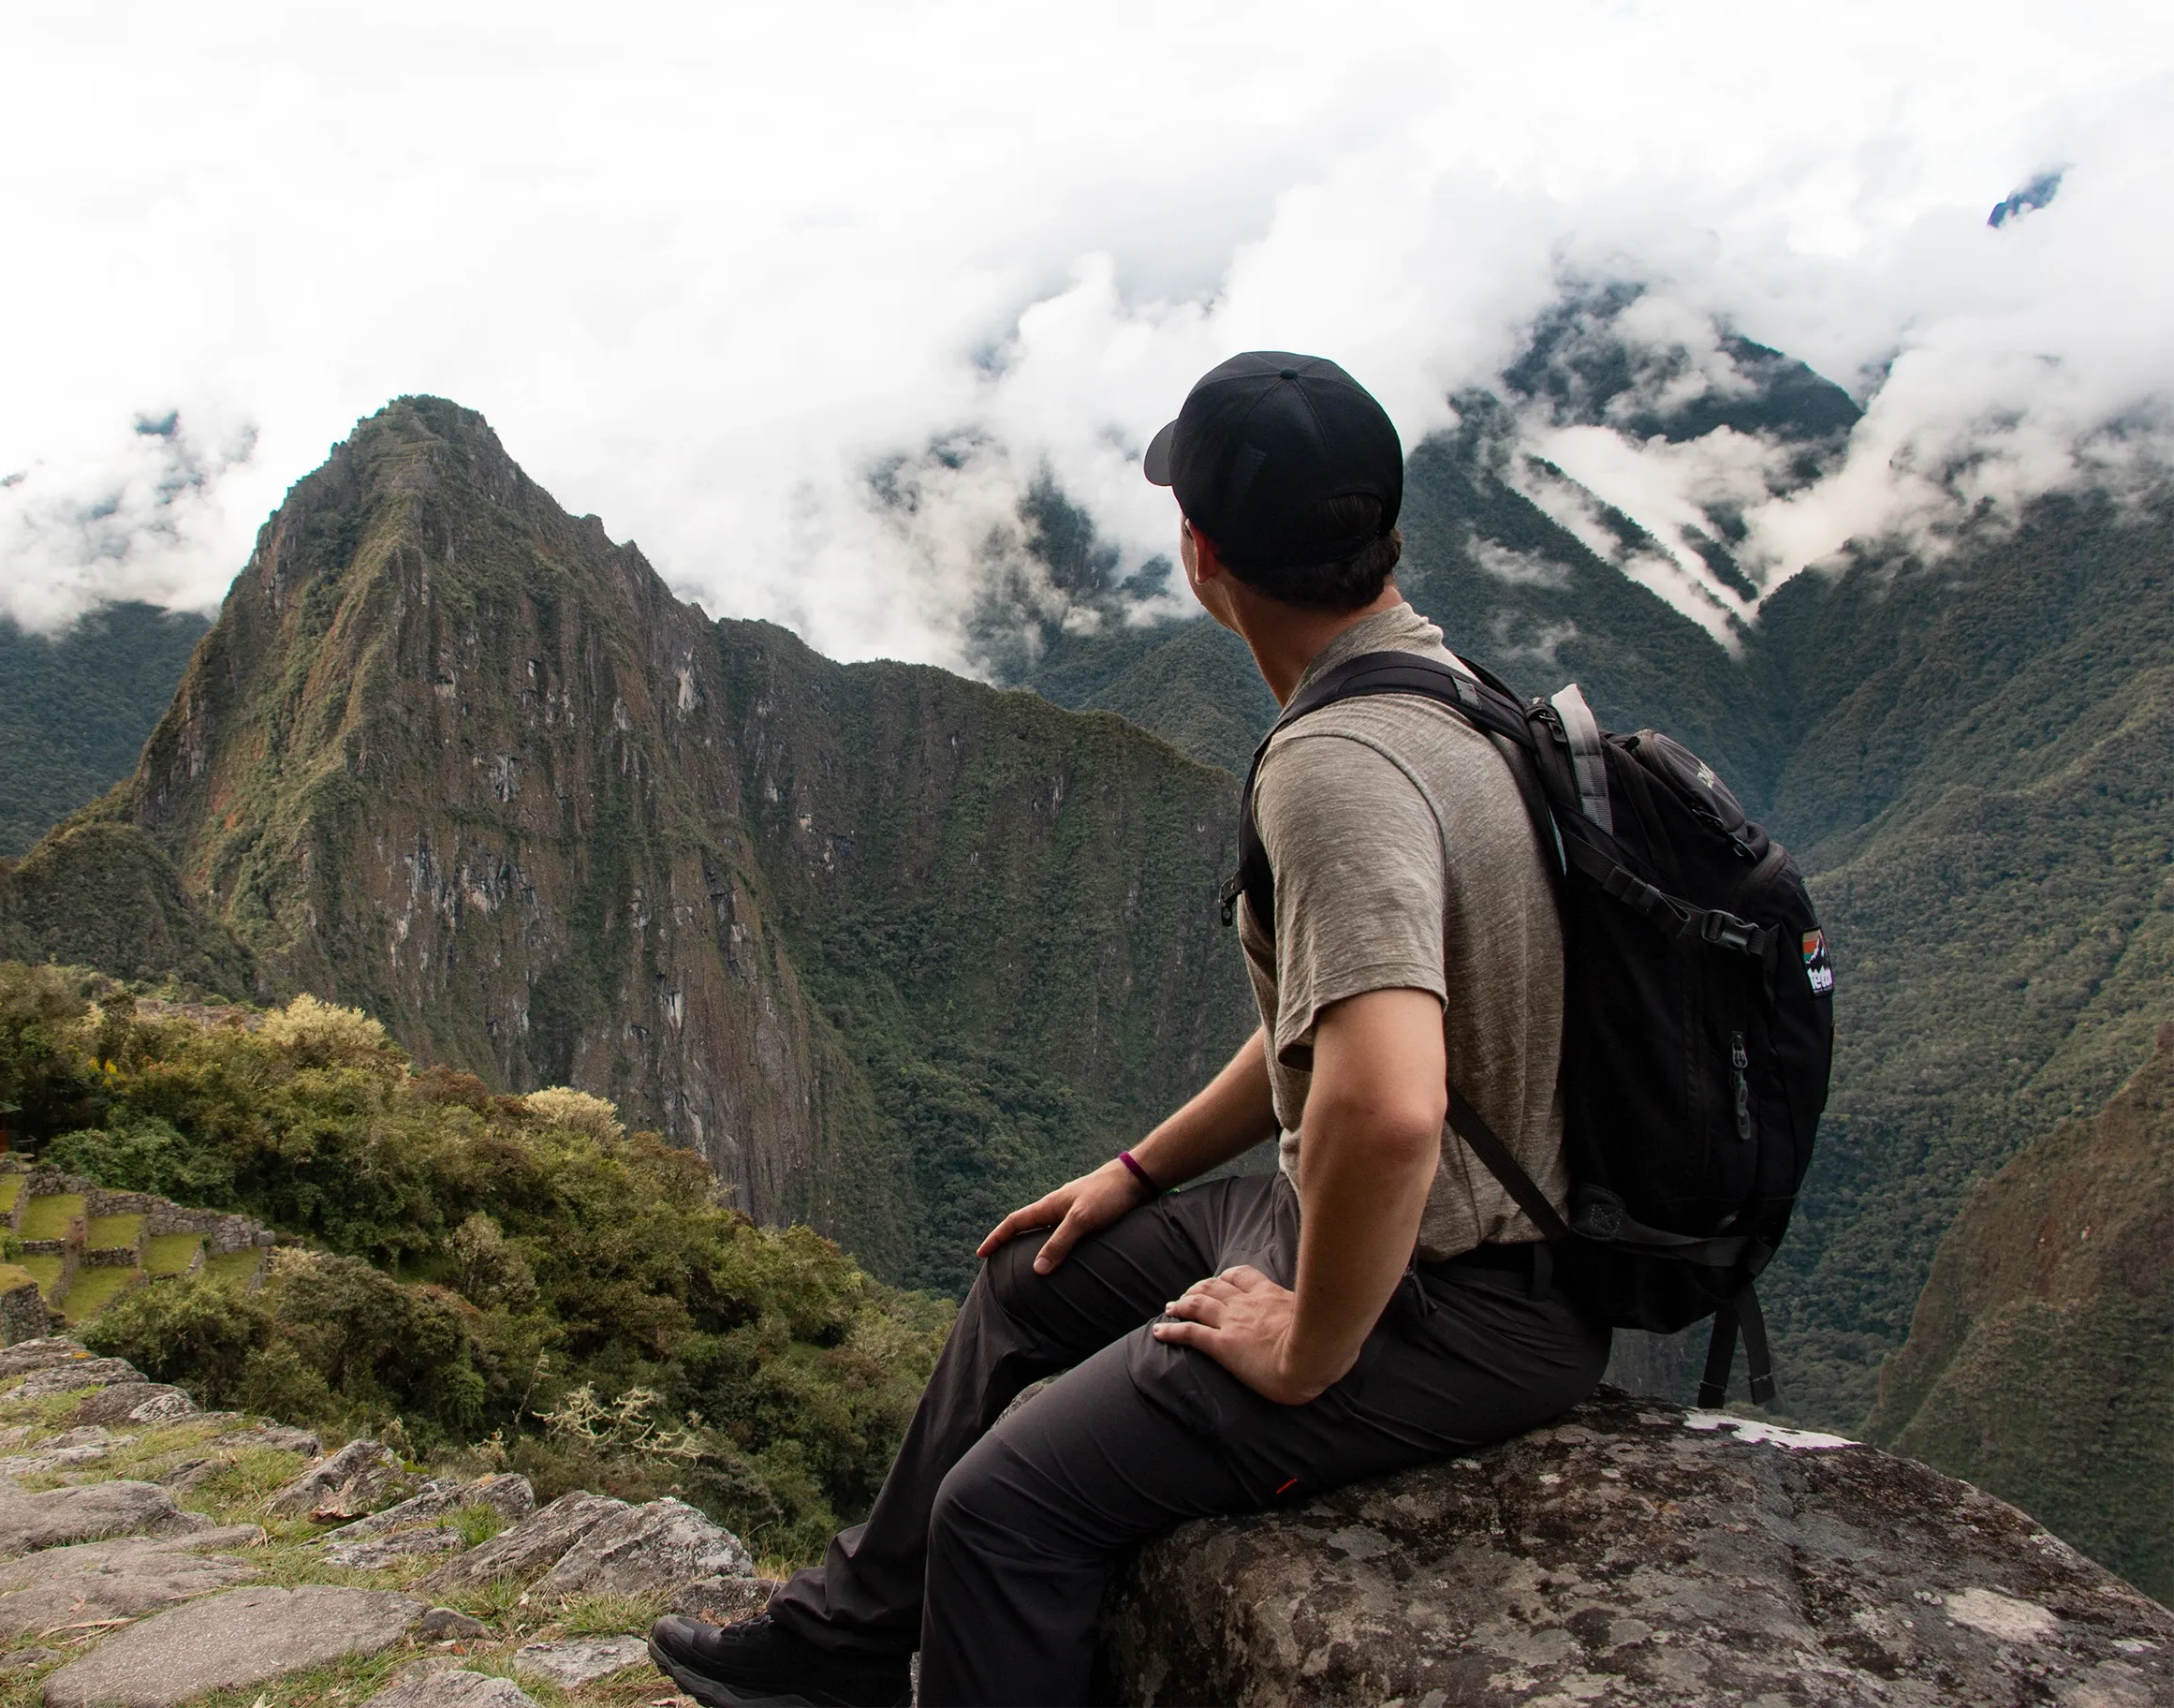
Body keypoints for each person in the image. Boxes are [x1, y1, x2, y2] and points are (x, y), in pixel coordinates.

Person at [650, 352, 1608, 1708]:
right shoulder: (1448, 689)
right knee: (1030, 1275)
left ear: (1200, 552)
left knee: (1005, 1514)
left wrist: (1305, 1348)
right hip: (1390, 1239)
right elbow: (1320, 1024)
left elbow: (1387, 1107)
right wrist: (1139, 1173)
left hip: (1447, 1302)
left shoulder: (1340, 770)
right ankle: (850, 1638)